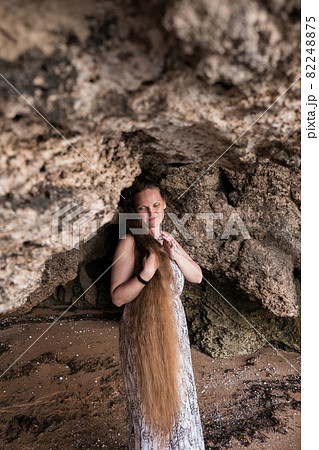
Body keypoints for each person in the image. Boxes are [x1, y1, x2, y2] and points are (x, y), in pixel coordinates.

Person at [110, 176, 205, 449]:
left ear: (164, 206)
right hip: (143, 331)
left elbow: (197, 276)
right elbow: (117, 298)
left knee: (177, 395)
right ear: (134, 212)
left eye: (155, 205)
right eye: (143, 208)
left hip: (173, 327)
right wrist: (145, 273)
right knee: (150, 400)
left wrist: (174, 255)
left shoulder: (168, 239)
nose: (151, 213)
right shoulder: (129, 242)